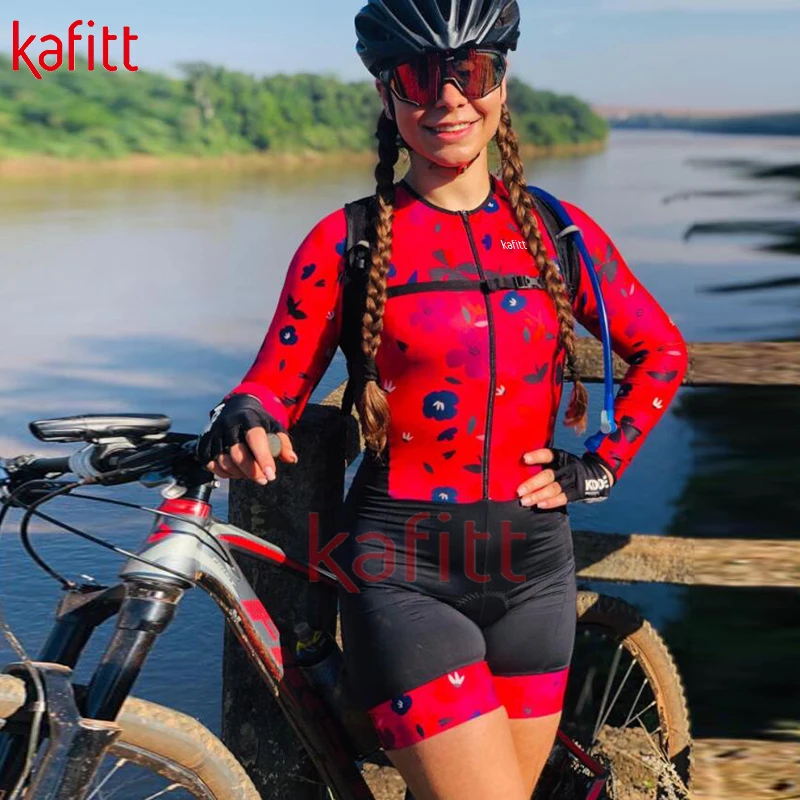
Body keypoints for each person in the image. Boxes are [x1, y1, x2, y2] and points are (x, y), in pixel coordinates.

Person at [198, 1, 689, 797]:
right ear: (388, 95)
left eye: (473, 73)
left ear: (501, 84)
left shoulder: (559, 232)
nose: (450, 99)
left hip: (537, 575)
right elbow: (273, 380)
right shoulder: (347, 240)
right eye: (421, 78)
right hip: (403, 574)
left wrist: (602, 465)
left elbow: (662, 351)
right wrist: (246, 414)